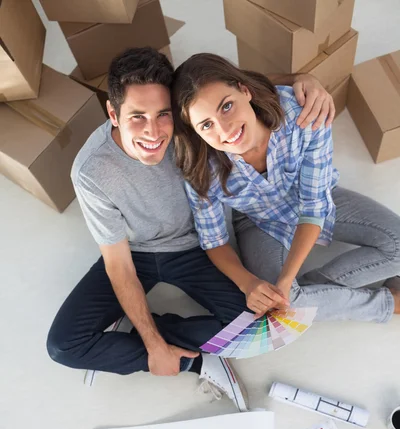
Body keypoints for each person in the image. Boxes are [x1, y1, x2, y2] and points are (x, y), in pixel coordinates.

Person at [46, 47, 336, 411]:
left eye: (163, 114)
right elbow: (118, 265)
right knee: (63, 346)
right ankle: (196, 360)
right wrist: (152, 346)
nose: (153, 132)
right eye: (137, 117)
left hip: (194, 249)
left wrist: (302, 80)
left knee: (259, 326)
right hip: (133, 254)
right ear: (112, 114)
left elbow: (225, 89)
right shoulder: (91, 171)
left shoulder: (194, 131)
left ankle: (138, 328)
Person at [171, 53, 400, 323]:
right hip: (258, 221)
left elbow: (314, 206)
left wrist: (288, 280)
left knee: (284, 302)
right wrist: (248, 285)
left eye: (226, 106)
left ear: (244, 90)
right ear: (196, 132)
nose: (224, 129)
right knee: (279, 304)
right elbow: (214, 241)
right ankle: (388, 303)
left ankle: (307, 294)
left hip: (314, 197)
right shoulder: (199, 167)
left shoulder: (300, 112)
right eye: (206, 125)